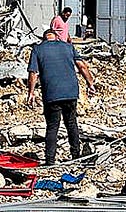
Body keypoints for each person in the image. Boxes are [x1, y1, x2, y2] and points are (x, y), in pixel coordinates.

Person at [27, 29, 97, 165]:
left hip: (51, 93)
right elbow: (82, 66)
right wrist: (90, 83)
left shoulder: (37, 49)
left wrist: (31, 92)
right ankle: (76, 156)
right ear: (57, 37)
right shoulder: (68, 47)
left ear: (44, 38)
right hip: (71, 92)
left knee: (53, 126)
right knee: (71, 123)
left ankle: (50, 160)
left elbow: (33, 73)